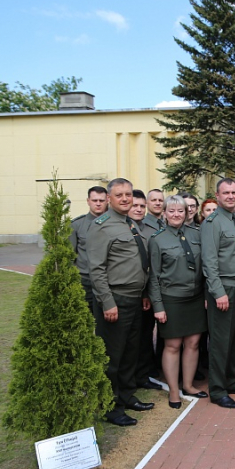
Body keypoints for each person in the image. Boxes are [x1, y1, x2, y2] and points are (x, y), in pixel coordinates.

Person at [87, 178, 154, 426]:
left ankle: (126, 396)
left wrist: (144, 293)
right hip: (115, 299)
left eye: (128, 194)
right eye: (119, 195)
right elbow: (96, 269)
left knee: (129, 353)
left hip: (134, 299)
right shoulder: (101, 226)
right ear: (109, 198)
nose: (125, 199)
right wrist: (107, 302)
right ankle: (110, 406)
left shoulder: (130, 223)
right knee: (112, 357)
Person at [147, 195, 207, 409]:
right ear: (164, 213)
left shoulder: (196, 234)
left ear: (187, 212)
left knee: (193, 343)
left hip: (195, 297)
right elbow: (153, 276)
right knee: (172, 345)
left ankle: (188, 385)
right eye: (171, 211)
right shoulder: (157, 239)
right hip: (171, 299)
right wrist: (158, 306)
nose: (176, 215)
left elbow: (205, 268)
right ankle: (174, 390)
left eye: (180, 211)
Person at [201, 178, 235, 408]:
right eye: (226, 193)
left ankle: (232, 382)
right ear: (217, 195)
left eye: (234, 193)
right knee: (221, 343)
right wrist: (218, 292)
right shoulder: (212, 223)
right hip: (224, 288)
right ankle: (217, 390)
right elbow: (209, 261)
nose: (231, 196)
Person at [129, 190, 162, 391]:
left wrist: (147, 293)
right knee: (131, 339)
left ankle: (143, 373)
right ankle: (130, 377)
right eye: (135, 205)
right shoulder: (122, 229)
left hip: (148, 291)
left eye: (142, 206)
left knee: (145, 335)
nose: (139, 209)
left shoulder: (150, 230)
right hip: (129, 292)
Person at [69, 185, 108, 313]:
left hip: (109, 281)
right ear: (88, 201)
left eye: (101, 200)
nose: (98, 204)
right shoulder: (77, 225)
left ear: (107, 200)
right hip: (85, 282)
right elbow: (69, 256)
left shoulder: (114, 224)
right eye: (94, 200)